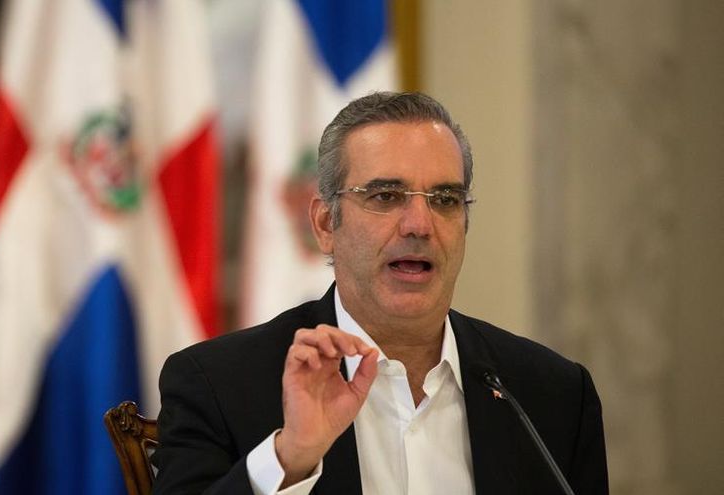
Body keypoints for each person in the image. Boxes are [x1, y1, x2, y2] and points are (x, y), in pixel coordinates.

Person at [151, 92, 608, 494]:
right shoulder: (219, 384)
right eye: (386, 196)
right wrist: (290, 460)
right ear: (325, 224)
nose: (419, 225)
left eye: (445, 200)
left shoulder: (551, 395)